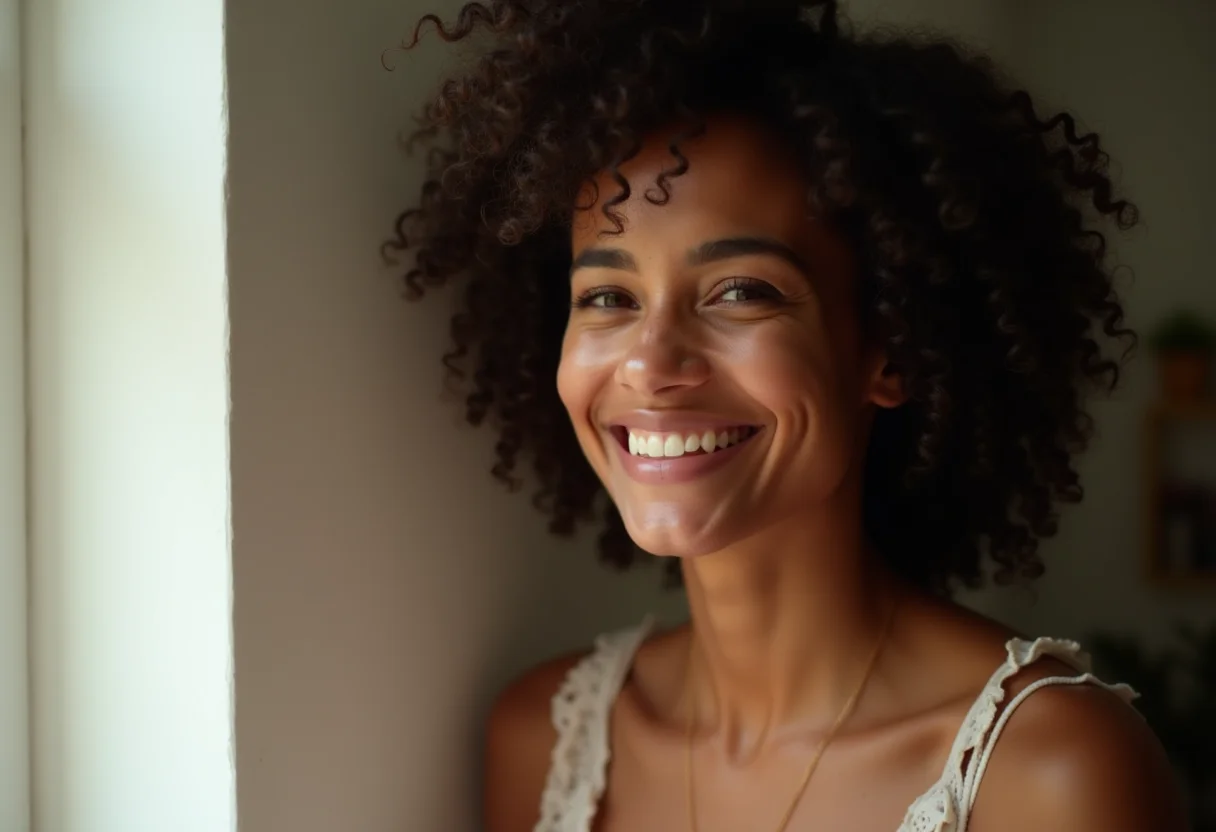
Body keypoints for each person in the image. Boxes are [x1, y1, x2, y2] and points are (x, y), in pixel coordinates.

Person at [383, 2, 1187, 830]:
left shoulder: (1053, 770)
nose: (651, 364)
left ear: (892, 349)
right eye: (609, 297)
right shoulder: (542, 742)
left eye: (741, 291)